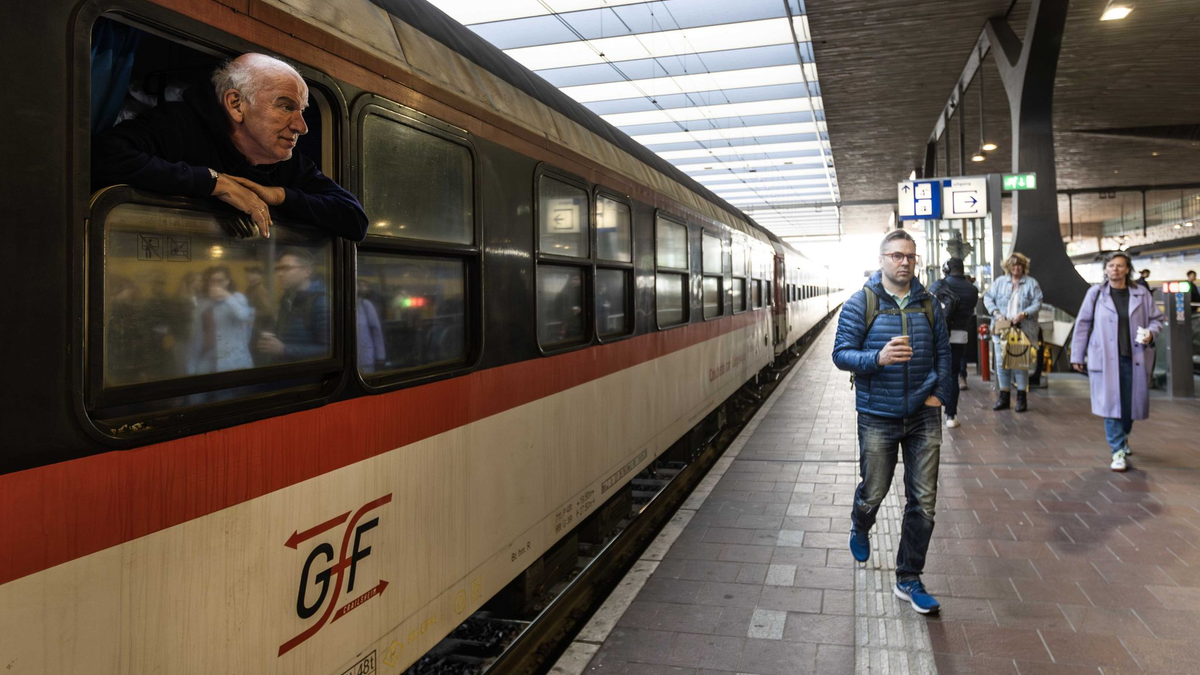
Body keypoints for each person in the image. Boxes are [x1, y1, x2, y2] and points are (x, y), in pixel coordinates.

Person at [93, 53, 367, 242]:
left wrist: (280, 196)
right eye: (286, 106)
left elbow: (354, 219)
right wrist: (214, 183)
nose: (301, 126)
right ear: (236, 104)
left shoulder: (287, 164)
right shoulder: (178, 125)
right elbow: (103, 156)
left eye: (302, 111)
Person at [833, 229, 952, 615]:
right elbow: (841, 355)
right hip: (877, 416)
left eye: (911, 257)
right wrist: (877, 358)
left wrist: (941, 397)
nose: (905, 262)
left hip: (923, 414)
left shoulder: (930, 304)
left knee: (924, 502)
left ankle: (909, 577)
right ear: (882, 259)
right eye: (898, 256)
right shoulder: (860, 304)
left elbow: (944, 356)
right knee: (875, 489)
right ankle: (860, 523)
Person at [1070, 253, 1164, 472]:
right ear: (1105, 270)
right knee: (1111, 405)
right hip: (1104, 359)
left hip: (1135, 358)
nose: (1115, 270)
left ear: (1127, 269)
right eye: (1111, 266)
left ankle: (1123, 437)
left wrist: (1151, 333)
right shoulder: (1095, 294)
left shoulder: (1141, 294)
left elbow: (1157, 320)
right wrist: (1077, 354)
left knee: (1130, 405)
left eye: (1120, 266)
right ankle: (1117, 451)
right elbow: (1083, 324)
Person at [983, 252, 1043, 412]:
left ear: (1024, 267)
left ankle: (1022, 398)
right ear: (1008, 267)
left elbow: (1038, 302)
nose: (1016, 268)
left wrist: (1024, 313)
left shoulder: (1031, 283)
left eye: (1019, 265)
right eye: (1013, 265)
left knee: (1020, 363)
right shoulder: (1000, 282)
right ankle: (1004, 396)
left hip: (1022, 329)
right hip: (1002, 328)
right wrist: (996, 312)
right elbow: (987, 298)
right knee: (1002, 363)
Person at [929, 258, 979, 428]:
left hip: (939, 334)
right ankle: (951, 415)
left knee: (934, 370)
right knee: (953, 374)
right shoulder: (972, 290)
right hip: (960, 335)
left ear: (947, 269)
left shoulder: (938, 285)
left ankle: (931, 410)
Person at [257, 249, 329, 361]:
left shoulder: (320, 302)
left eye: (286, 268)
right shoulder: (287, 299)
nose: (279, 274)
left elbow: (330, 349)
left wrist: (284, 349)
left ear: (307, 272)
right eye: (278, 269)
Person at [187, 266, 255, 375]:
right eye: (212, 281)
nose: (215, 284)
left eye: (219, 280)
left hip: (231, 358)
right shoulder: (203, 303)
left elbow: (244, 315)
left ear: (227, 281)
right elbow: (195, 332)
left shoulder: (237, 297)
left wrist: (226, 295)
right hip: (207, 355)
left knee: (226, 389)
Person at [357, 279, 387, 374]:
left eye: (364, 286)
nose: (363, 289)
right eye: (360, 285)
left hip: (365, 358)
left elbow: (376, 330)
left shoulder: (365, 304)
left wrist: (380, 355)